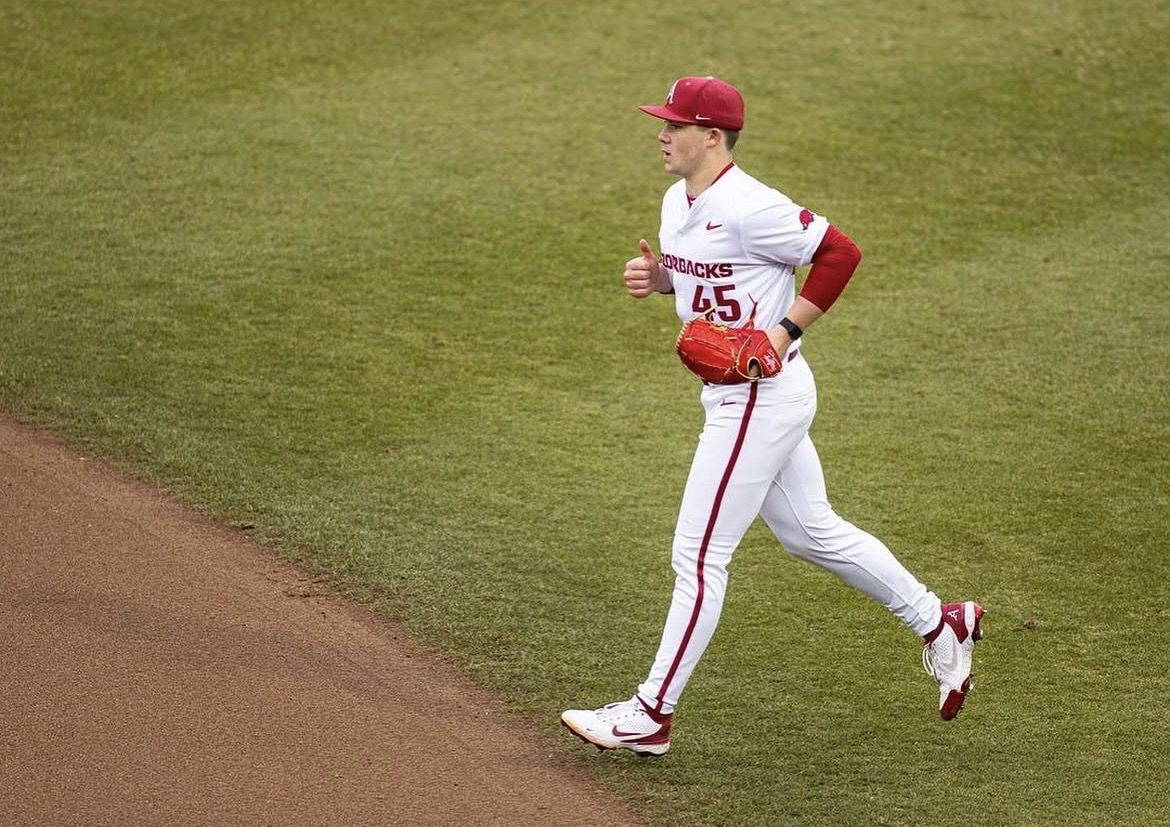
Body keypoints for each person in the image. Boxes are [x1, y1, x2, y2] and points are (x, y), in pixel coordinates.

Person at [560, 76, 984, 757]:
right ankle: (942, 621)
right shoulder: (678, 199)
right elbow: (703, 272)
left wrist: (784, 331)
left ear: (713, 136)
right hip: (749, 395)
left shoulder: (754, 206)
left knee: (698, 557)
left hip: (760, 395)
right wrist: (660, 279)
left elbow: (841, 253)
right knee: (812, 531)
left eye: (675, 124)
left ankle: (650, 713)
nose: (662, 134)